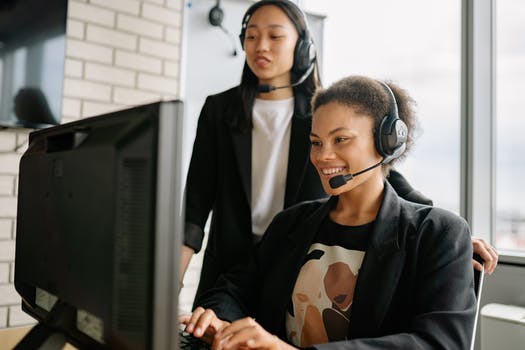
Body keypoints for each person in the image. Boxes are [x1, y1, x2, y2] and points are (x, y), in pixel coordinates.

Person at [181, 0, 498, 306]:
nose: (261, 46)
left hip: (293, 260)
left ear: (304, 47)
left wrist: (439, 237)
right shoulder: (219, 110)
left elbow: (379, 170)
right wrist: (172, 282)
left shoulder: (323, 112)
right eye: (251, 36)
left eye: (275, 36)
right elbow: (195, 204)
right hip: (230, 269)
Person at [180, 76, 477, 349]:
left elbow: (440, 343)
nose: (323, 156)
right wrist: (219, 320)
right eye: (316, 142)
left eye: (341, 139)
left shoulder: (438, 233)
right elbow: (233, 288)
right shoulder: (291, 223)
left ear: (386, 143)